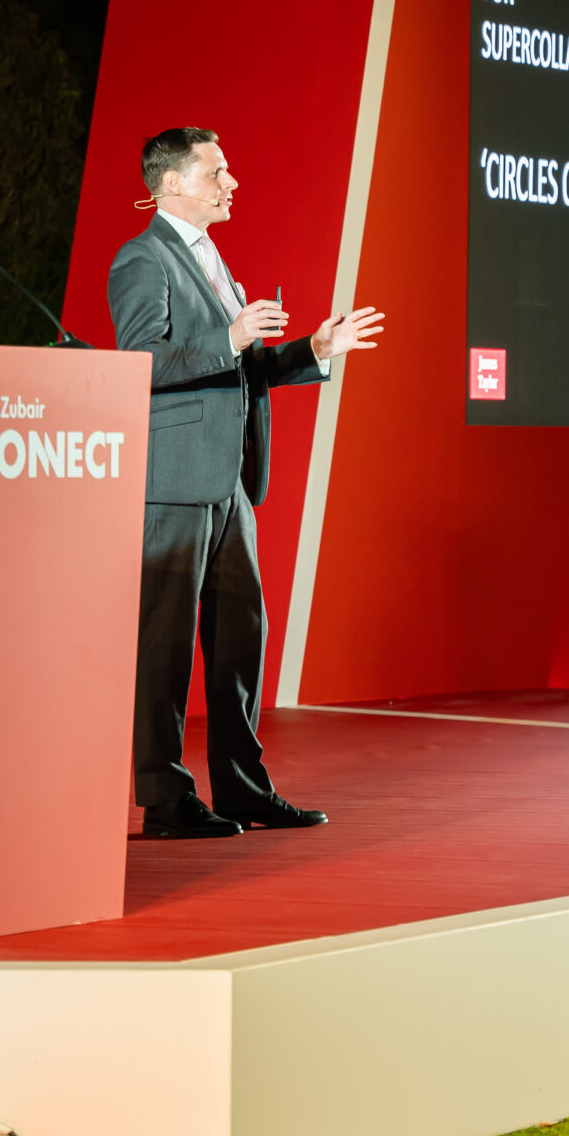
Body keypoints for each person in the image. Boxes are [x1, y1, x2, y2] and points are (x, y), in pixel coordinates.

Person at [108, 126, 385, 838]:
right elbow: (140, 360)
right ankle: (166, 799)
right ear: (173, 183)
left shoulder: (210, 257)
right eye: (217, 172)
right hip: (174, 483)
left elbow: (239, 369)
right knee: (165, 645)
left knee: (239, 639)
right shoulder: (143, 258)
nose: (231, 183)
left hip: (229, 482)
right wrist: (231, 336)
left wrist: (313, 349)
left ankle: (243, 789)